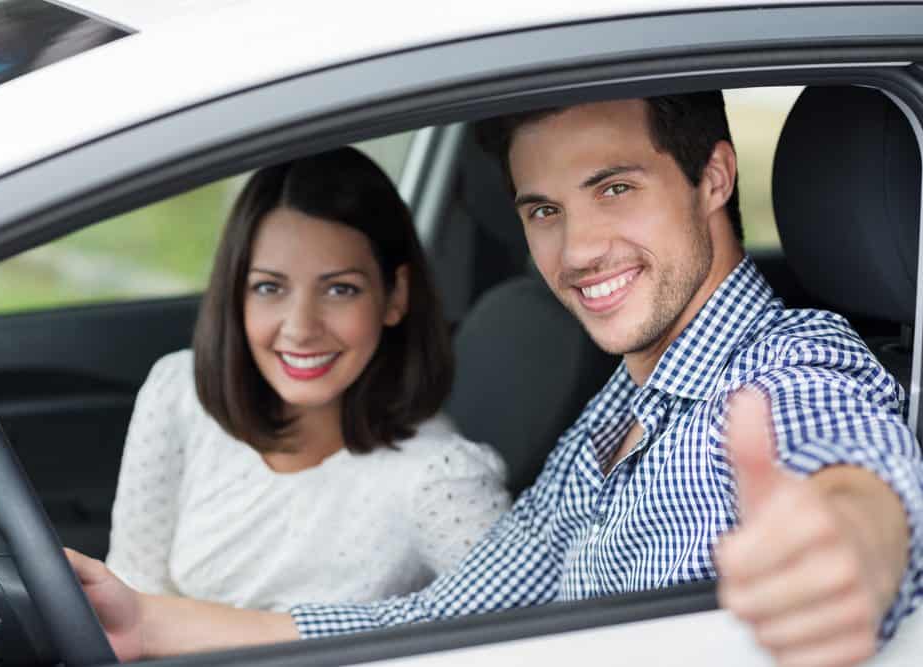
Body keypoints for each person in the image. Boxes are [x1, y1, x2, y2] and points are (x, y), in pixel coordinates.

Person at [68, 93, 923, 666]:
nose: (577, 250)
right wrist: (149, 622)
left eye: (615, 188)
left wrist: (848, 544)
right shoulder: (613, 414)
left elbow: (853, 469)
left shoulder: (789, 362)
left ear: (713, 178)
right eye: (543, 210)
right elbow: (449, 619)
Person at [99, 147, 510, 618]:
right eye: (269, 288)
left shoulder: (441, 477)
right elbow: (132, 593)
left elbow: (533, 641)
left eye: (340, 289)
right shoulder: (179, 392)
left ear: (395, 295)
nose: (300, 327)